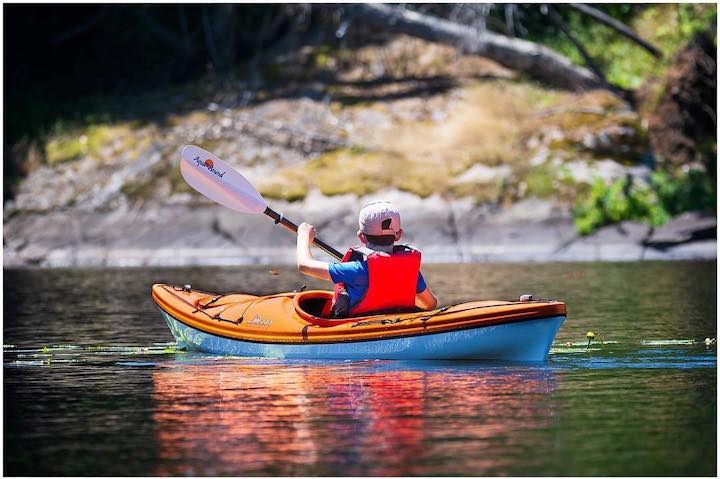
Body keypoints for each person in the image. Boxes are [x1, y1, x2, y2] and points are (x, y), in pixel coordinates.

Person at [296, 201, 438, 318]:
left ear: (361, 236)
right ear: (398, 234)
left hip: (359, 330)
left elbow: (304, 265)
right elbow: (430, 304)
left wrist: (303, 237)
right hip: (398, 327)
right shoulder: (409, 270)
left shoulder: (356, 269)